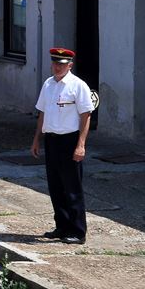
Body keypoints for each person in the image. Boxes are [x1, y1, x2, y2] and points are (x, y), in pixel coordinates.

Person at [31, 48, 95, 245]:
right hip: (52, 139)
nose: (57, 67)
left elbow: (86, 116)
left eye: (61, 64)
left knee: (72, 187)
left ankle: (78, 231)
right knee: (55, 186)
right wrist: (36, 139)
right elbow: (42, 113)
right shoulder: (48, 84)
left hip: (70, 140)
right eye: (54, 63)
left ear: (70, 65)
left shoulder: (78, 86)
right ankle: (62, 226)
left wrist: (81, 145)